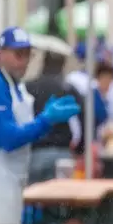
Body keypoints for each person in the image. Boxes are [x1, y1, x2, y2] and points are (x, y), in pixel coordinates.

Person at [0, 27, 81, 224]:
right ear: (0, 54)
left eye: (28, 55)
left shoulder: (14, 83)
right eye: (18, 55)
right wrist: (45, 120)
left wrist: (44, 120)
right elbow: (9, 138)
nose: (25, 61)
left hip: (7, 178)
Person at [26, 51, 85, 184]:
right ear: (62, 65)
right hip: (62, 155)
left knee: (34, 198)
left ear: (43, 63)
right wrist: (80, 149)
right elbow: (83, 120)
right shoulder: (68, 89)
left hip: (35, 153)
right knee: (62, 200)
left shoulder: (29, 87)